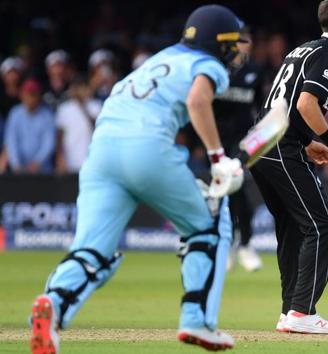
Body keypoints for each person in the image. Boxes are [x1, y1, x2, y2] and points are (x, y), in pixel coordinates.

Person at [28, 5, 247, 353]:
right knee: (208, 226)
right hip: (145, 147)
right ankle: (198, 321)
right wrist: (218, 158)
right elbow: (197, 101)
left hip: (100, 154)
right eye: (232, 42)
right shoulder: (207, 64)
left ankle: (52, 306)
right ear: (217, 42)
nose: (236, 50)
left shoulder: (161, 58)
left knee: (91, 251)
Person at [249, 0, 328, 334]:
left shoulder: (304, 49)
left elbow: (285, 103)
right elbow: (305, 103)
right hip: (279, 145)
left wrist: (305, 140)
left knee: (293, 227)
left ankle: (290, 312)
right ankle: (302, 312)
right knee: (322, 225)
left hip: (261, 143)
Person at [212, 26, 264, 272]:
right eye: (240, 40)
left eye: (247, 39)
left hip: (242, 144)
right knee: (224, 193)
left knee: (239, 187)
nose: (244, 44)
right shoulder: (219, 71)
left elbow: (260, 109)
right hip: (217, 141)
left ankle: (245, 243)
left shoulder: (255, 72)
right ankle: (230, 243)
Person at [4, 78, 56, 174]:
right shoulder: (15, 114)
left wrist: (37, 162)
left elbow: (49, 143)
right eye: (28, 94)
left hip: (43, 171)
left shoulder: (47, 115)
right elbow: (11, 141)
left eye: (33, 94)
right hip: (19, 170)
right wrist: (16, 164)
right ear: (22, 95)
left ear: (39, 96)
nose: (30, 98)